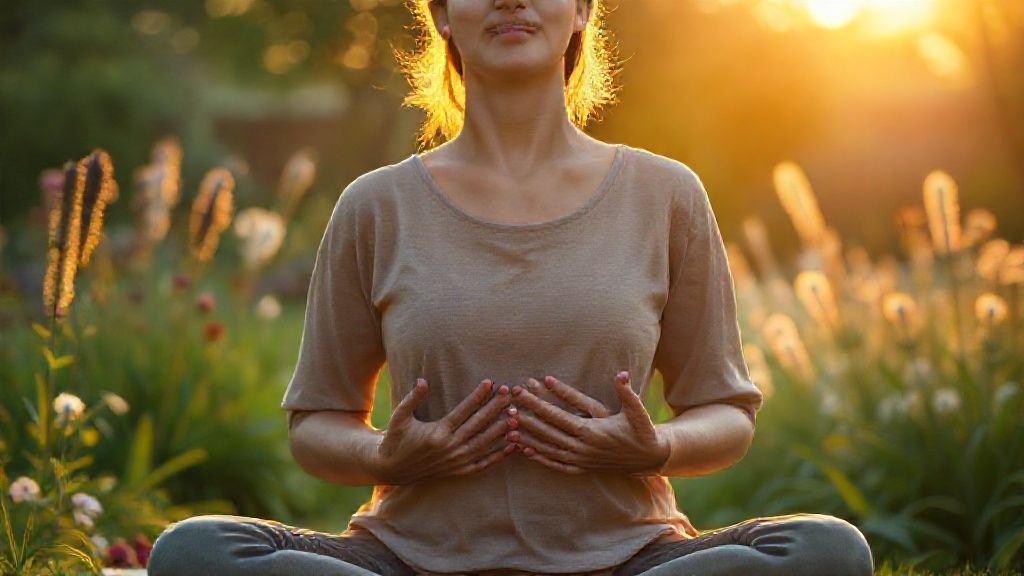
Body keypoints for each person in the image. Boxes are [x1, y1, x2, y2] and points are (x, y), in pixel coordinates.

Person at [148, 0, 875, 574]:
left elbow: (726, 414)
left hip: (629, 559)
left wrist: (651, 446)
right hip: (405, 560)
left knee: (828, 552)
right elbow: (316, 426)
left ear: (584, 10)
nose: (510, 0)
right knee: (195, 553)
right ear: (439, 13)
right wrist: (384, 458)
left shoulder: (665, 195)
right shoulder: (376, 206)